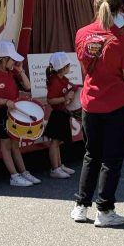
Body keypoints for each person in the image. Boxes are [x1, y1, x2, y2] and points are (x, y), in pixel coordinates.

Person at [71, 0, 124, 227]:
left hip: (90, 102)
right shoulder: (122, 41)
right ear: (121, 8)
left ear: (95, 5)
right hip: (116, 104)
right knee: (112, 158)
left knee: (91, 154)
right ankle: (105, 210)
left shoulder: (81, 34)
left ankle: (81, 206)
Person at [0, 39, 40, 187]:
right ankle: (14, 176)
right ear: (3, 60)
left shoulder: (12, 72)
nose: (14, 62)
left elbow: (28, 87)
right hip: (1, 114)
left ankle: (23, 172)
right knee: (5, 146)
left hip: (14, 114)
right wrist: (6, 102)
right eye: (12, 59)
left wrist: (21, 70)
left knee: (16, 144)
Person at [44, 51, 77, 179]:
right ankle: (55, 169)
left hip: (62, 113)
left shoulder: (63, 79)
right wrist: (64, 98)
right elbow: (50, 100)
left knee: (57, 142)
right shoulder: (54, 81)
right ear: (63, 68)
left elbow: (68, 92)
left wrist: (72, 94)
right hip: (57, 114)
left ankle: (59, 165)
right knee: (54, 142)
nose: (69, 68)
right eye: (68, 66)